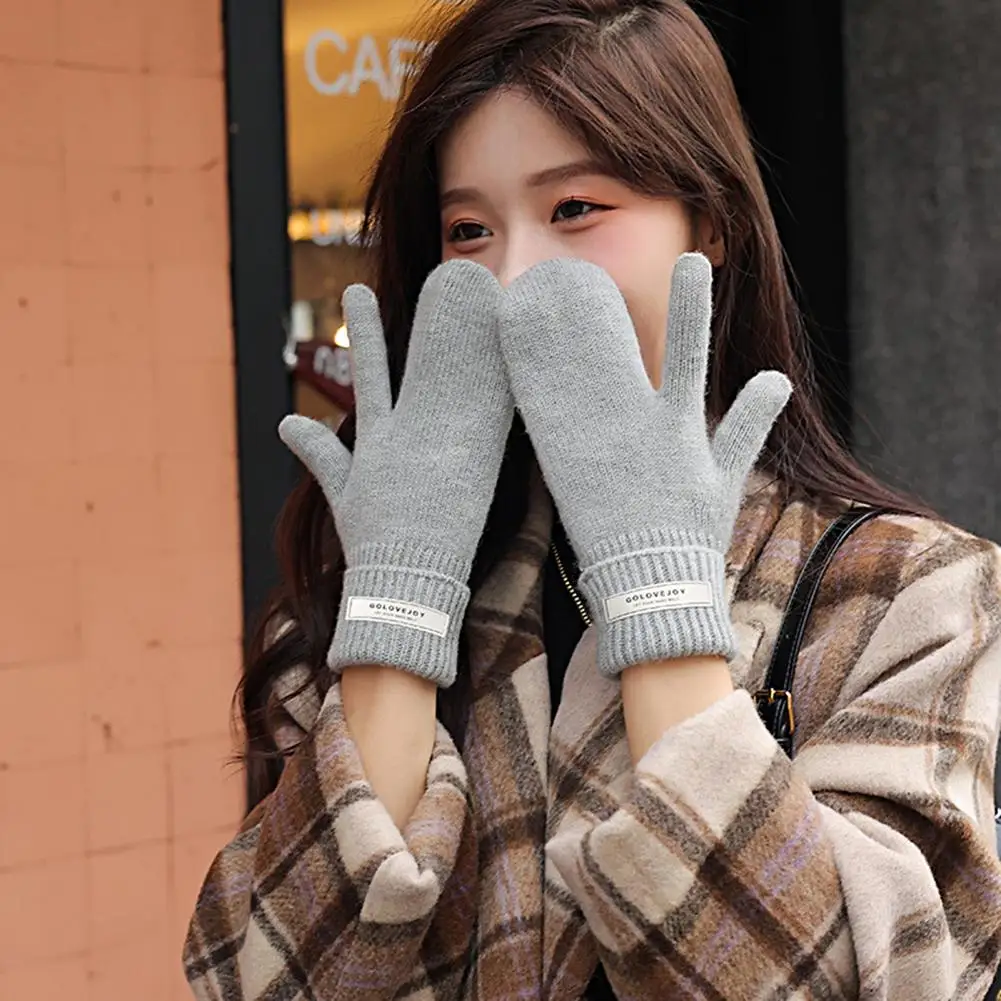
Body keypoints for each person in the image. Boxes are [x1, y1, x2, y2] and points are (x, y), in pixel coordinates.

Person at [182, 1, 1001, 998]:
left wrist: (659, 599)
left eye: (574, 208)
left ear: (711, 223)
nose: (516, 277)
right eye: (468, 230)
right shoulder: (366, 585)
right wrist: (396, 604)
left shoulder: (910, 591)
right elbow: (263, 980)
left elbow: (891, 979)